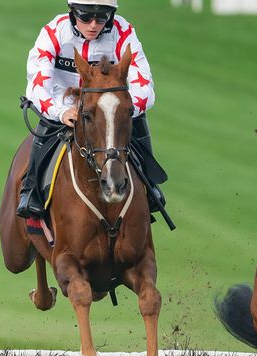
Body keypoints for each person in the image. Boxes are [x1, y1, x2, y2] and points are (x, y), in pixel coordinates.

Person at [17, 0, 167, 219]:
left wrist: (120, 110)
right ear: (72, 12)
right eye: (85, 17)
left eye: (102, 17)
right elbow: (38, 83)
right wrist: (60, 111)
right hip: (64, 109)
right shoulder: (54, 31)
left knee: (137, 117)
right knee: (45, 127)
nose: (93, 25)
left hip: (109, 111)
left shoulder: (123, 32)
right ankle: (30, 191)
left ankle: (151, 187)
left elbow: (144, 85)